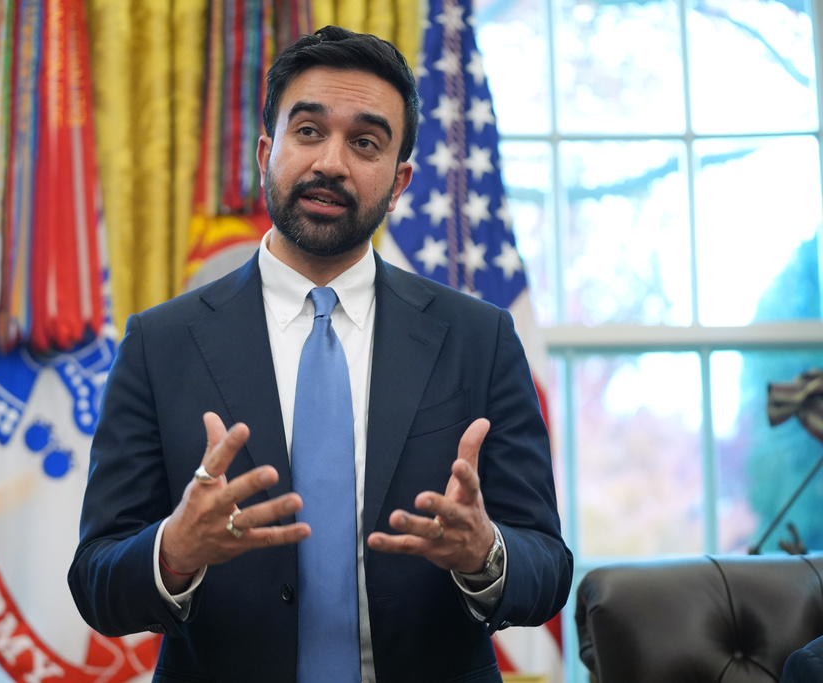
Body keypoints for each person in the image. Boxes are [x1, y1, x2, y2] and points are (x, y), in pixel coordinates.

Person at [69, 26, 572, 683]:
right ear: (265, 153)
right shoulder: (160, 343)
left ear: (399, 181)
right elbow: (97, 578)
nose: (331, 162)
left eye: (365, 142)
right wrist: (173, 551)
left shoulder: (479, 339)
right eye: (308, 131)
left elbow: (548, 569)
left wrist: (485, 552)